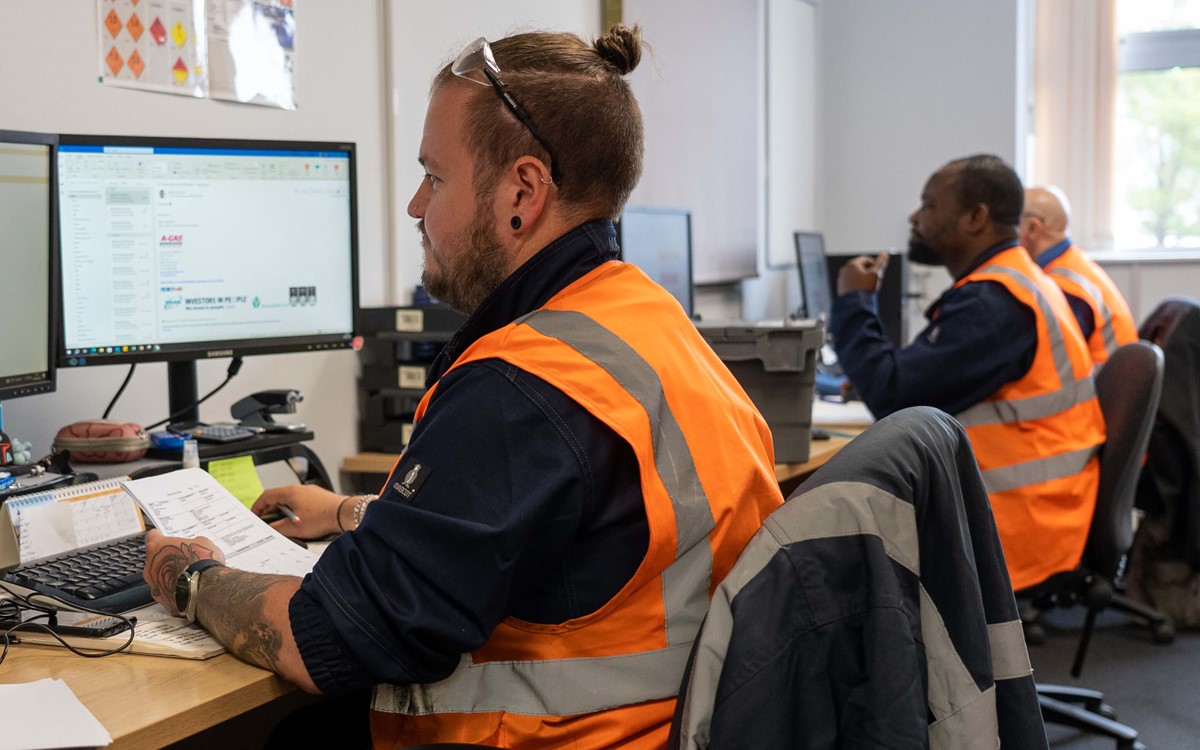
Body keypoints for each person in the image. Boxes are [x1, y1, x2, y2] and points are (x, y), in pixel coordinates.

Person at [140, 25, 784, 749]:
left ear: (523, 191)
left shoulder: (521, 387)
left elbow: (322, 642)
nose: (417, 206)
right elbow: (547, 530)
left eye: (435, 177)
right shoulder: (644, 320)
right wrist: (353, 512)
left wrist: (189, 576)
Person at [829, 154, 1105, 592]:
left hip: (1016, 521)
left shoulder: (993, 303)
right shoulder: (1019, 280)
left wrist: (852, 303)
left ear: (976, 217)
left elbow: (890, 395)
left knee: (826, 548)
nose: (915, 216)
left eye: (929, 205)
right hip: (1046, 503)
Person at [1020, 185, 1137, 365]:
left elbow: (1053, 357)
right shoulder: (1073, 263)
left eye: (1013, 223)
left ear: (1033, 228)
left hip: (1099, 387)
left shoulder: (1065, 286)